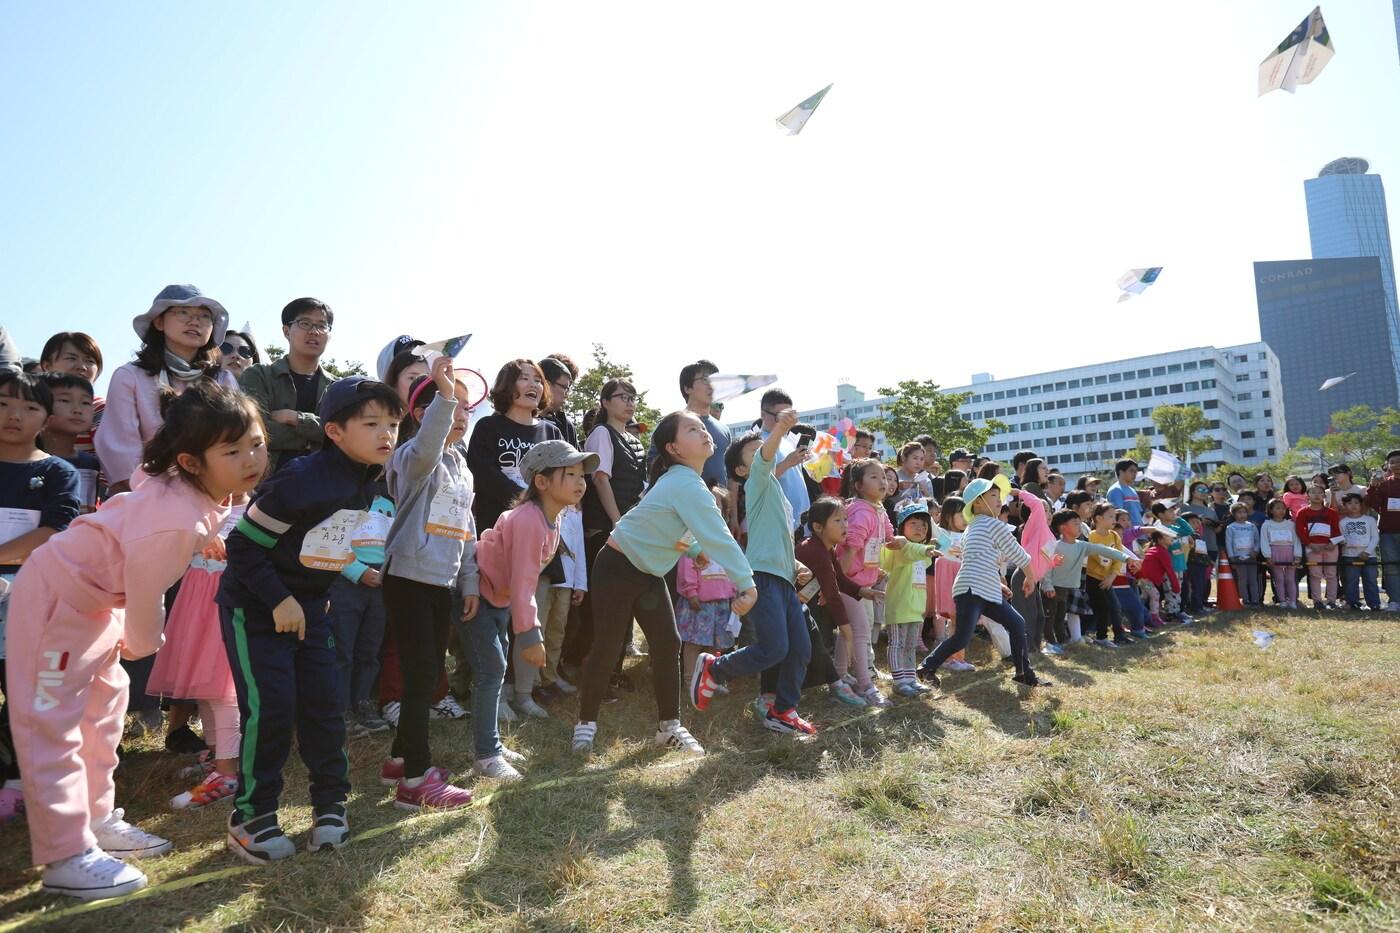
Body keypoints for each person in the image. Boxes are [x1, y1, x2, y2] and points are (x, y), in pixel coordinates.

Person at [7, 383, 262, 899]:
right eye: (232, 452)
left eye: (256, 443)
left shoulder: (192, 487)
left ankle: (98, 820)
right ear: (192, 462)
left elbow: (147, 478)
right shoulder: (174, 523)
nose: (251, 459)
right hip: (61, 598)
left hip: (97, 599)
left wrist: (202, 530)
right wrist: (144, 643)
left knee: (103, 715)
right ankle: (65, 854)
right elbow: (149, 599)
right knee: (53, 724)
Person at [218, 376, 404, 864]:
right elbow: (241, 546)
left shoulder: (371, 481)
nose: (387, 433)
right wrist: (280, 600)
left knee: (325, 706)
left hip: (312, 610)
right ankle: (251, 816)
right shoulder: (302, 479)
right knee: (274, 708)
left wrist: (311, 599)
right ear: (335, 431)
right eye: (371, 423)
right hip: (257, 609)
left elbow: (329, 548)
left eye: (393, 423)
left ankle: (330, 806)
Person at [572, 411, 756, 756]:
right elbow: (718, 534)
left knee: (668, 643)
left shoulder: (685, 482)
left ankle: (669, 728)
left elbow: (669, 523)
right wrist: (746, 582)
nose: (703, 432)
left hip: (649, 572)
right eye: (692, 429)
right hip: (617, 565)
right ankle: (585, 724)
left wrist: (695, 549)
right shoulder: (684, 482)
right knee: (608, 646)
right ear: (673, 448)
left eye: (703, 428)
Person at [469, 441, 597, 782]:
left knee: (493, 668)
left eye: (582, 475)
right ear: (541, 482)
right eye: (569, 474)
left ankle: (490, 742)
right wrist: (530, 634)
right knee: (492, 668)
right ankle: (486, 753)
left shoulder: (549, 520)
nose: (580, 482)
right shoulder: (529, 520)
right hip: (478, 596)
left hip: (496, 598)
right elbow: (524, 581)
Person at [692, 414, 816, 735]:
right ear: (741, 471)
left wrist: (795, 566)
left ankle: (784, 710)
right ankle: (715, 668)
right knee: (774, 648)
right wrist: (779, 430)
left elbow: (779, 538)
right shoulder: (758, 481)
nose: (764, 451)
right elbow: (765, 460)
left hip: (784, 580)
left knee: (800, 649)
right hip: (762, 577)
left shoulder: (774, 489)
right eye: (756, 451)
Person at [0, 372, 83, 826]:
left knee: (24, 692)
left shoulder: (56, 471)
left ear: (45, 418)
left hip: (29, 595)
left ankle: (19, 784)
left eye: (29, 407)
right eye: (3, 403)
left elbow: (56, 529)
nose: (15, 415)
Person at [148, 487, 253, 810]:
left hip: (230, 600)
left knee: (223, 687)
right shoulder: (192, 506)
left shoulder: (258, 508)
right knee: (205, 683)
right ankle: (216, 754)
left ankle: (227, 772)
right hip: (196, 597)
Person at [96, 284, 237, 494]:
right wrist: (156, 494)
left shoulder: (222, 379)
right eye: (183, 312)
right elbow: (119, 447)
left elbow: (235, 438)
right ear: (159, 322)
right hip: (145, 498)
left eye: (205, 316)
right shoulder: (130, 376)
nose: (195, 321)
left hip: (211, 496)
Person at [915, 478, 1044, 689]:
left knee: (1016, 623)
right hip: (973, 589)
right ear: (976, 503)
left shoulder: (973, 527)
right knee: (962, 637)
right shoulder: (992, 524)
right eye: (992, 496)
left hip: (981, 588)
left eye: (998, 495)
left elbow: (979, 560)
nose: (998, 500)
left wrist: (999, 584)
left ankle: (1023, 672)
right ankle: (926, 667)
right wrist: (1030, 578)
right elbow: (1019, 554)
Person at [465, 359, 562, 533]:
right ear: (507, 385)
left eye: (538, 381)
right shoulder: (487, 427)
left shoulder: (552, 432)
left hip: (542, 530)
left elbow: (563, 476)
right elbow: (484, 474)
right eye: (524, 378)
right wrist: (525, 499)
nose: (533, 385)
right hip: (497, 529)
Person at [792, 497, 872, 707]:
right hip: (799, 608)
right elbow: (832, 592)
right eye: (838, 520)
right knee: (813, 646)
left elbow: (839, 578)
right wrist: (846, 632)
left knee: (817, 645)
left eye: (846, 519)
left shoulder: (826, 547)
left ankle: (827, 685)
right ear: (818, 527)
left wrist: (861, 590)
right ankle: (833, 686)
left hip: (810, 607)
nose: (845, 525)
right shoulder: (814, 550)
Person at [239, 297, 334, 472]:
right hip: (268, 485)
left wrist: (296, 418)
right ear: (286, 331)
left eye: (322, 325)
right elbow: (256, 431)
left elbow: (346, 435)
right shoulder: (259, 375)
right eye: (305, 323)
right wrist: (316, 437)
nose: (314, 331)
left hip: (324, 484)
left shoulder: (337, 387)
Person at [836, 459, 893, 705]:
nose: (882, 481)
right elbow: (851, 546)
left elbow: (890, 537)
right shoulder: (861, 511)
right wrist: (843, 578)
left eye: (884, 477)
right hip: (851, 583)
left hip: (862, 581)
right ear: (858, 485)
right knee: (860, 632)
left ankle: (839, 676)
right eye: (874, 477)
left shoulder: (878, 509)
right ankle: (865, 685)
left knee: (848, 632)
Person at [880, 501, 939, 696]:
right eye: (913, 523)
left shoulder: (922, 552)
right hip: (899, 606)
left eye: (924, 525)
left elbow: (920, 551)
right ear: (902, 527)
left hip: (915, 608)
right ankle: (899, 681)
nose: (920, 528)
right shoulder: (900, 547)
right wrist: (925, 549)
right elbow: (910, 550)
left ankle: (910, 678)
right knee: (897, 644)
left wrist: (927, 549)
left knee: (911, 645)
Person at [37, 373, 103, 512]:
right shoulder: (28, 461)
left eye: (85, 403)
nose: (77, 410)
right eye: (65, 400)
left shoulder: (91, 463)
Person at [675, 550, 738, 693]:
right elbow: (686, 565)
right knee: (693, 643)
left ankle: (709, 680)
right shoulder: (694, 538)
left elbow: (733, 565)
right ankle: (690, 681)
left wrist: (734, 590)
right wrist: (691, 591)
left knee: (716, 645)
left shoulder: (724, 539)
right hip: (699, 602)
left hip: (722, 602)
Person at [37, 332, 104, 454]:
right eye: (71, 358)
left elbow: (111, 456)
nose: (82, 367)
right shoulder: (29, 405)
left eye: (89, 361)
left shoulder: (98, 407)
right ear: (46, 365)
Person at [756, 389, 810, 531]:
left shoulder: (787, 441)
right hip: (780, 523)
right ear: (763, 414)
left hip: (802, 521)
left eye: (790, 417)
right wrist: (787, 463)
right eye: (782, 417)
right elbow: (757, 480)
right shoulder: (757, 443)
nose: (786, 423)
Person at [1294, 485, 1342, 610]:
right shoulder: (1303, 512)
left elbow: (1337, 530)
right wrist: (1309, 544)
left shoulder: (1331, 513)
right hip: (1312, 547)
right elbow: (1300, 530)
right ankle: (1317, 601)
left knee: (1331, 574)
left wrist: (1333, 543)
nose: (1316, 495)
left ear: (1324, 496)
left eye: (1320, 493)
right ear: (1308, 496)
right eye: (1313, 492)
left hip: (1330, 547)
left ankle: (1331, 601)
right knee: (1315, 575)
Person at [1364, 449, 1400, 611]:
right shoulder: (1384, 484)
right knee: (1391, 568)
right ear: (1388, 465)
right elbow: (1372, 504)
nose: (1396, 465)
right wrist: (1372, 487)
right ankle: (1394, 600)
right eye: (1392, 462)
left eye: (1399, 461)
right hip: (1388, 533)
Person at [1339, 493, 1381, 611]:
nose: (1353, 506)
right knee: (1351, 581)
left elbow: (1375, 537)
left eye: (1356, 503)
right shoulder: (1342, 522)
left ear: (1361, 505)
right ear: (1344, 506)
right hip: (1349, 555)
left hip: (1369, 556)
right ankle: (1353, 603)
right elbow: (1341, 538)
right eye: (1349, 503)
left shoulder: (1370, 520)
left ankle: (1374, 603)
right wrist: (1342, 542)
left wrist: (1367, 552)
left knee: (1371, 580)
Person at [1261, 498, 1302, 609]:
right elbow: (1264, 541)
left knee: (1290, 579)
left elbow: (1296, 540)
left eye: (1283, 508)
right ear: (1271, 510)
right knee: (1279, 579)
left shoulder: (1291, 524)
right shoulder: (1266, 525)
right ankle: (1282, 601)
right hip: (1275, 553)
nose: (1281, 511)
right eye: (1278, 508)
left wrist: (1298, 556)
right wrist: (1267, 556)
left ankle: (1292, 601)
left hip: (1289, 552)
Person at [1224, 503, 1262, 606]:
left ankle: (1255, 600)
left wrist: (1255, 551)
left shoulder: (1252, 526)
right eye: (1239, 512)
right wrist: (1232, 558)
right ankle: (1245, 600)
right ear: (1234, 514)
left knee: (1253, 579)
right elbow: (1229, 543)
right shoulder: (1230, 527)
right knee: (1242, 579)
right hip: (1238, 557)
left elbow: (1257, 540)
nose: (1242, 515)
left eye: (1244, 512)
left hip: (1251, 556)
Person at [538, 355, 580, 449]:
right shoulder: (517, 417)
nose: (567, 394)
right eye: (565, 387)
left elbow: (575, 462)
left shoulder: (566, 426)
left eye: (569, 387)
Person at [1105, 459, 1142, 527]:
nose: (1134, 474)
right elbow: (1118, 515)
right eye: (1131, 471)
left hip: (1139, 533)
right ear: (1121, 472)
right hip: (1127, 534)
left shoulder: (1133, 491)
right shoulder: (1115, 490)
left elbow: (1139, 513)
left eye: (1135, 471)